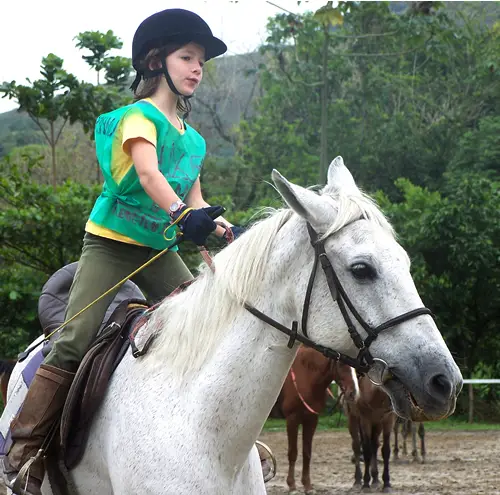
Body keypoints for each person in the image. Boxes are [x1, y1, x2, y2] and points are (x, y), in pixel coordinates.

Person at [2, 9, 244, 494]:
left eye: (201, 61)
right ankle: (22, 453)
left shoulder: (193, 139)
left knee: (210, 321)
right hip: (111, 245)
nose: (197, 68)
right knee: (73, 339)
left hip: (156, 249)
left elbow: (194, 197)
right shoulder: (139, 117)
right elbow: (150, 175)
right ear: (156, 62)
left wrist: (221, 226)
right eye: (187, 57)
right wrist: (183, 216)